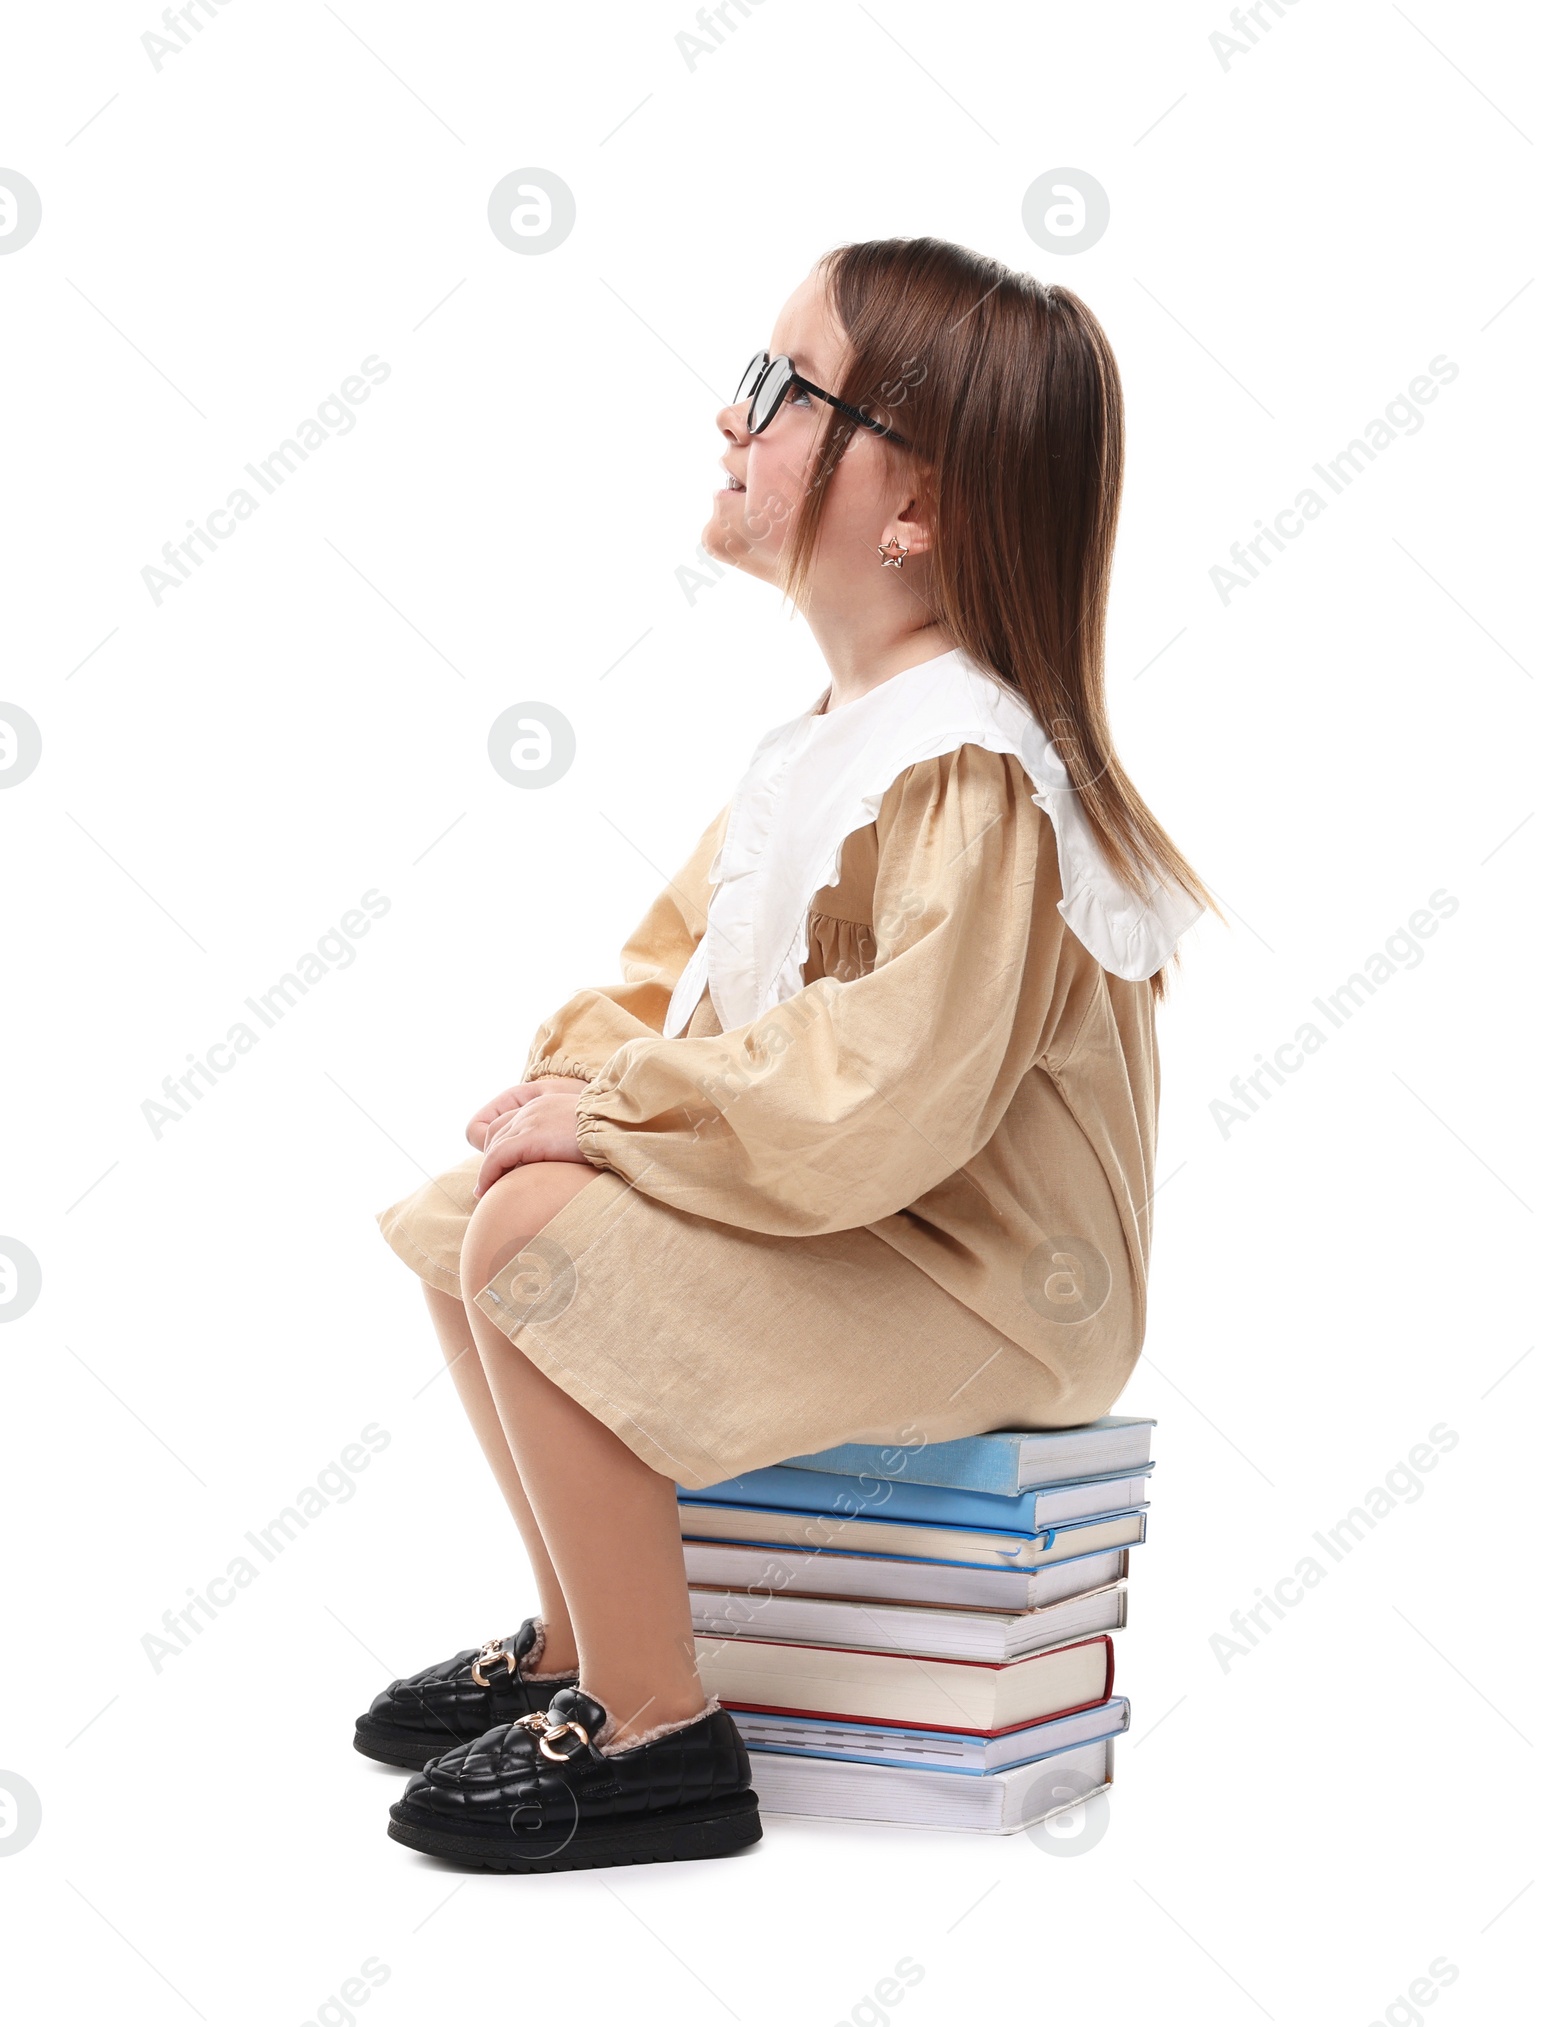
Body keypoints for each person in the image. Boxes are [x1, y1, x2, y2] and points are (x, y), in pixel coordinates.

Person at [361, 235, 1215, 1874]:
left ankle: (661, 1732)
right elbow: (671, 988)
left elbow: (887, 1097)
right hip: (882, 1224)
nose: (729, 416)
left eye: (778, 388)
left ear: (920, 507)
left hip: (989, 1280)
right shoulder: (826, 749)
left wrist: (615, 1120)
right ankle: (575, 1641)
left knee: (538, 1234)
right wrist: (579, 1086)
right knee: (477, 1218)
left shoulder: (973, 762)